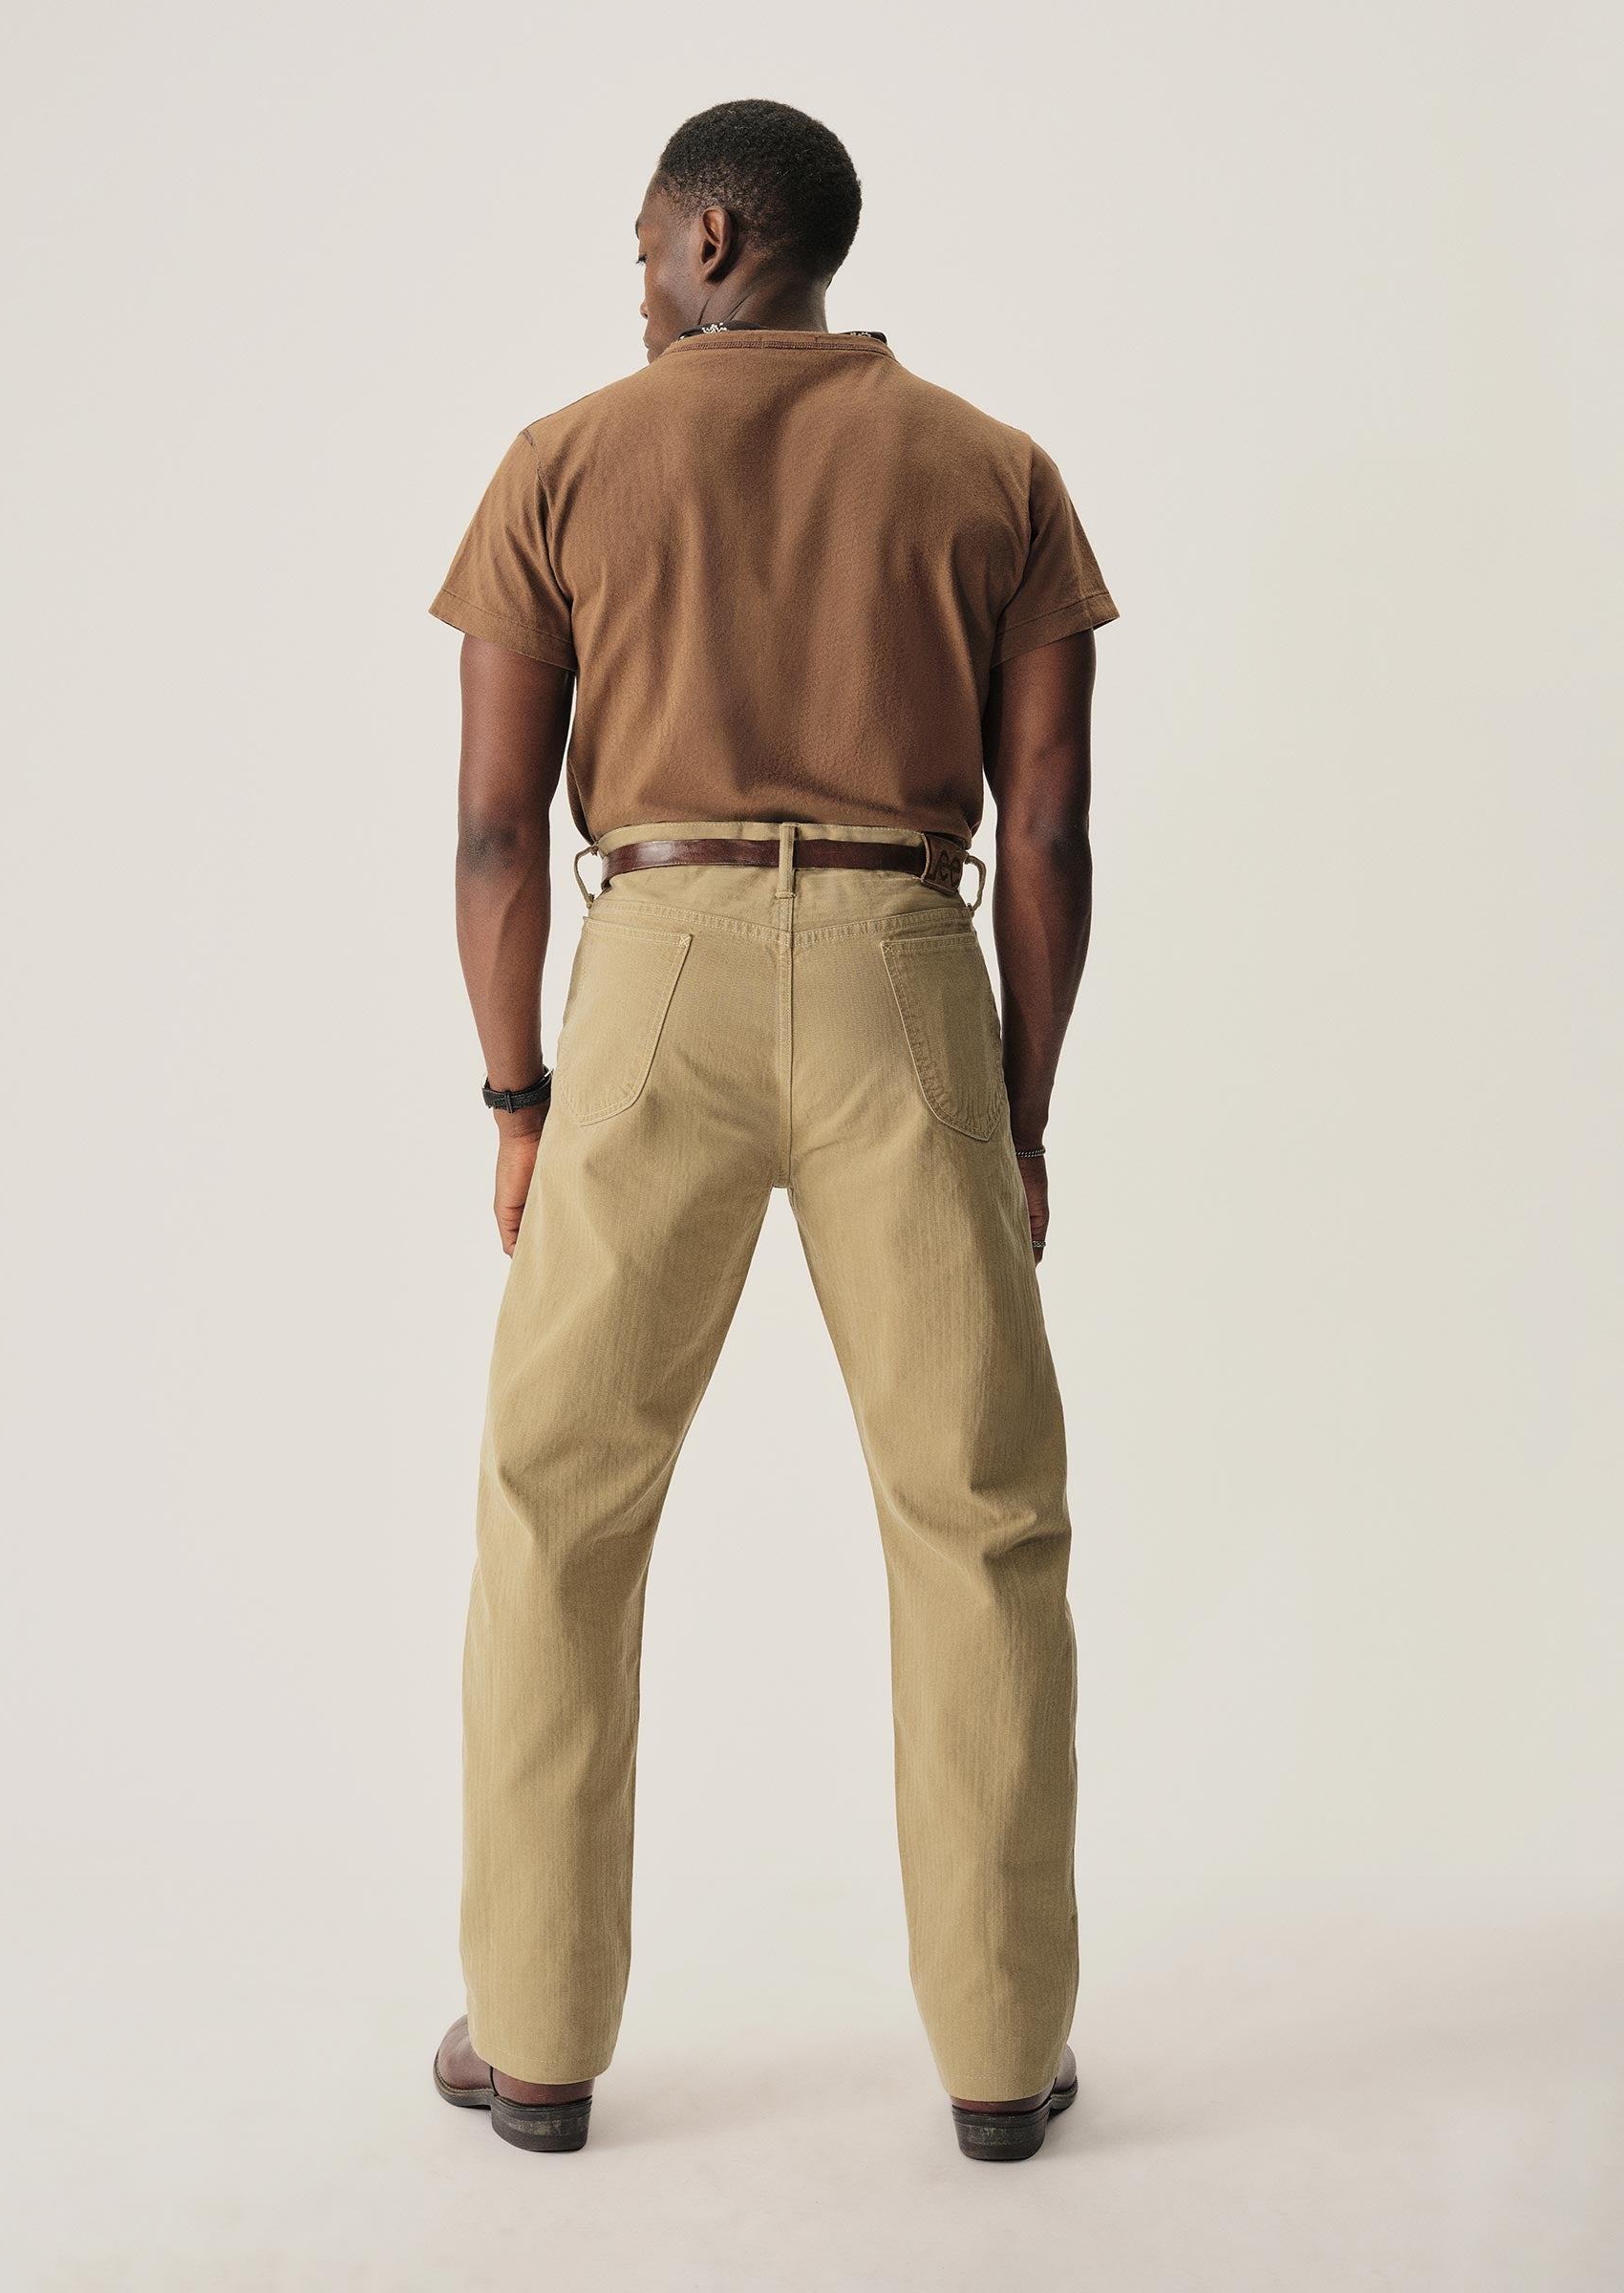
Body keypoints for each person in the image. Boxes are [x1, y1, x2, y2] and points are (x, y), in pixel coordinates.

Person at [427, 96, 1118, 2160]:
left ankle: (535, 2038)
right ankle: (1001, 2052)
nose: (636, 278)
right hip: (911, 967)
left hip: (657, 971)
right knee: (978, 1511)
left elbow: (492, 832)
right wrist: (1018, 1108)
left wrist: (518, 1097)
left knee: (560, 1501)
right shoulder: (994, 469)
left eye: (646, 241)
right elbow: (1052, 832)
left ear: (718, 238)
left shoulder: (564, 460)